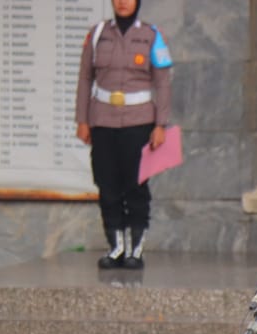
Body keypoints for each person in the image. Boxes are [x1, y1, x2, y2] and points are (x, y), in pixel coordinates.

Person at [75, 0, 173, 270]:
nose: (122, 2)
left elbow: (163, 82)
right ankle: (116, 247)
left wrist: (160, 124)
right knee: (107, 186)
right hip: (103, 120)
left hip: (139, 121)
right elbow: (85, 78)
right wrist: (82, 120)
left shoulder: (152, 36)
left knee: (135, 186)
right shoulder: (97, 34)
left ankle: (135, 249)